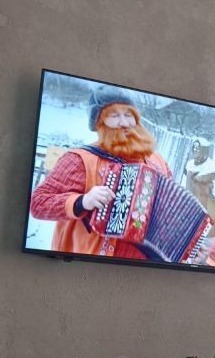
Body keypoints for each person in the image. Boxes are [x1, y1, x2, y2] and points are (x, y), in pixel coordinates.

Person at [30, 86, 171, 258]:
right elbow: (38, 203)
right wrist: (82, 202)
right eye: (114, 115)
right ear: (99, 122)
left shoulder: (157, 160)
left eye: (129, 115)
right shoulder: (80, 160)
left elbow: (172, 207)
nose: (124, 123)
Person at [185, 138, 215, 235]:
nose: (195, 150)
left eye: (198, 148)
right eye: (194, 147)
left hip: (203, 221)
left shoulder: (208, 175)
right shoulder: (190, 166)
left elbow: (213, 213)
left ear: (204, 151)